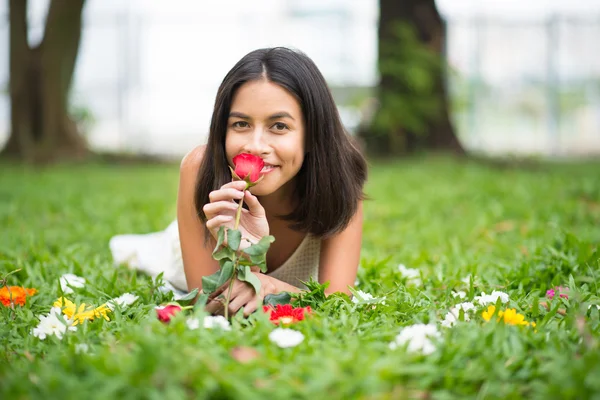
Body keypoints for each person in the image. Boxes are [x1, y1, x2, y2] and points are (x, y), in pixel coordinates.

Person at [110, 47, 367, 317]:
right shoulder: (200, 168)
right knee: (142, 256)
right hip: (176, 254)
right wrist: (246, 260)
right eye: (241, 124)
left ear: (313, 134)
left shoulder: (340, 182)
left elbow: (338, 303)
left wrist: (268, 285)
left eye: (279, 126)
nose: (255, 146)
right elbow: (209, 301)